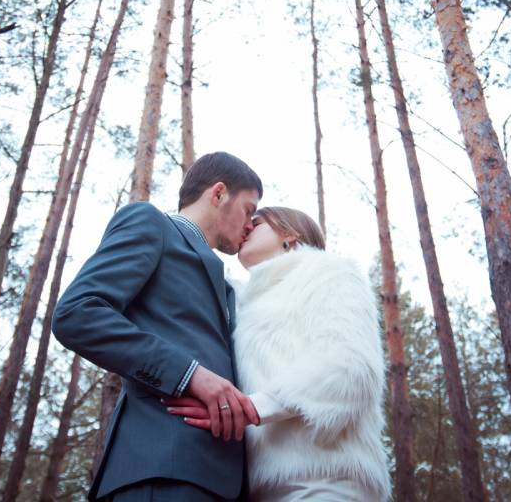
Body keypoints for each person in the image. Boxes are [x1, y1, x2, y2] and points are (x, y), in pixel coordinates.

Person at [52, 151, 264, 501]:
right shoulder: (151, 223)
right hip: (161, 469)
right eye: (248, 209)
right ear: (218, 193)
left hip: (222, 482)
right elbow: (78, 313)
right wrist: (190, 375)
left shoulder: (229, 289)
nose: (250, 225)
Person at [165, 207, 392, 501]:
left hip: (328, 480)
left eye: (256, 222)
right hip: (257, 489)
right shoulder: (240, 300)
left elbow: (351, 368)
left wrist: (251, 407)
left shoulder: (330, 274)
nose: (246, 227)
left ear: (289, 235)